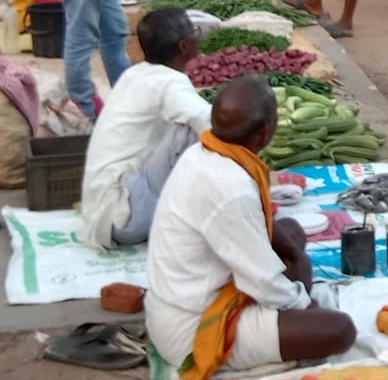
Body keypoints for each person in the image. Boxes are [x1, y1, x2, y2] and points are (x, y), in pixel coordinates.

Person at [145, 76, 356, 377]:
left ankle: (285, 310)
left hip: (191, 292)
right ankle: (272, 334)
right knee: (339, 330)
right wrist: (304, 304)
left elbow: (260, 225)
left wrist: (295, 257)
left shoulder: (205, 150)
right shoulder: (230, 188)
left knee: (292, 231)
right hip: (193, 325)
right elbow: (263, 281)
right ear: (265, 130)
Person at [79, 9, 211, 249]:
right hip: (124, 217)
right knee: (193, 131)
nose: (197, 37)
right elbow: (210, 122)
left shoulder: (134, 74)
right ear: (183, 46)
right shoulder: (170, 83)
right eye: (195, 32)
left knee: (190, 128)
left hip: (102, 211)